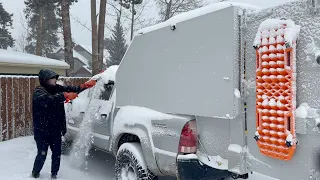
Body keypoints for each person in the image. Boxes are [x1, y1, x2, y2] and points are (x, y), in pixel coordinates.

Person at [31, 69, 96, 179]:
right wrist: (64, 96)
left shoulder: (56, 88)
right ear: (45, 80)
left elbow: (72, 89)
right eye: (52, 79)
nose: (54, 81)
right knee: (42, 154)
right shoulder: (39, 92)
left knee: (57, 154)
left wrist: (85, 86)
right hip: (42, 131)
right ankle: (35, 173)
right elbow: (48, 100)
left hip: (55, 130)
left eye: (54, 79)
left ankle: (54, 174)